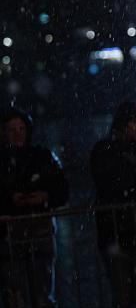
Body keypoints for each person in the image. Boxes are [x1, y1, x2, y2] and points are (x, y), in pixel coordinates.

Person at [90, 101, 136, 308]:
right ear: (124, 123)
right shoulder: (106, 150)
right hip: (118, 234)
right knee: (124, 295)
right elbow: (109, 183)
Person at [0, 107, 68, 308]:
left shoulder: (42, 156)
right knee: (16, 295)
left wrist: (45, 197)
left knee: (42, 293)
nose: (17, 134)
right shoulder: (7, 160)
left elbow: (61, 188)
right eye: (12, 129)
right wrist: (11, 201)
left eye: (21, 128)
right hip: (9, 235)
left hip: (39, 231)